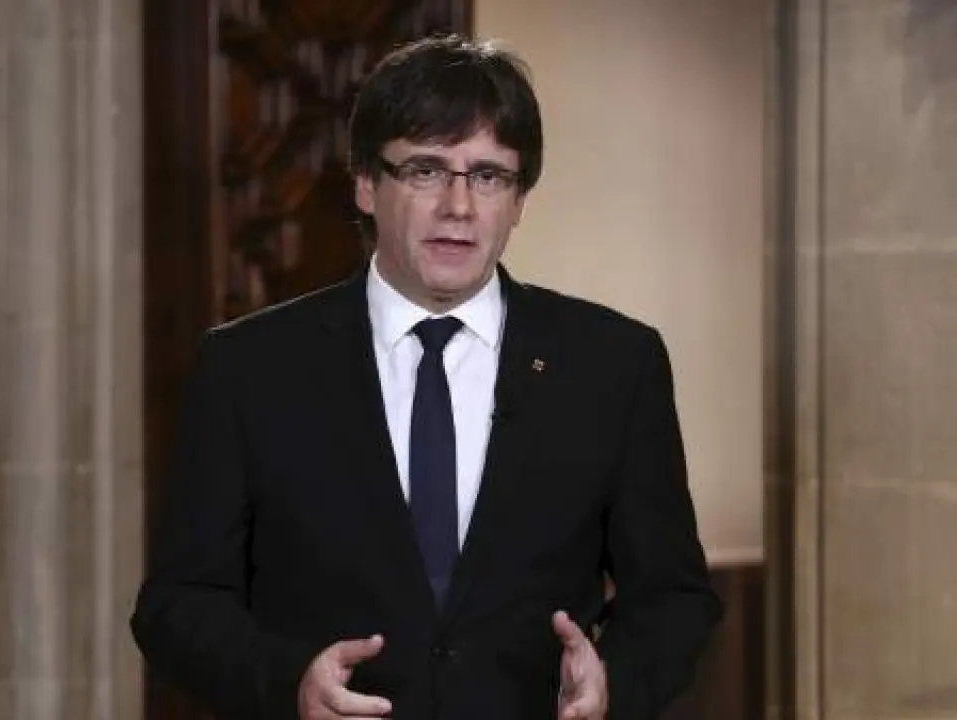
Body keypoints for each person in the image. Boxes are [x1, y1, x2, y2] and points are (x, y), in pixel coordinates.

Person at [131, 34, 722, 720]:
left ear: (519, 199)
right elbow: (177, 606)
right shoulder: (249, 368)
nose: (458, 207)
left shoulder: (614, 366)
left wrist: (612, 682)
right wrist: (289, 681)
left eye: (488, 176)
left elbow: (674, 599)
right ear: (365, 183)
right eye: (426, 171)